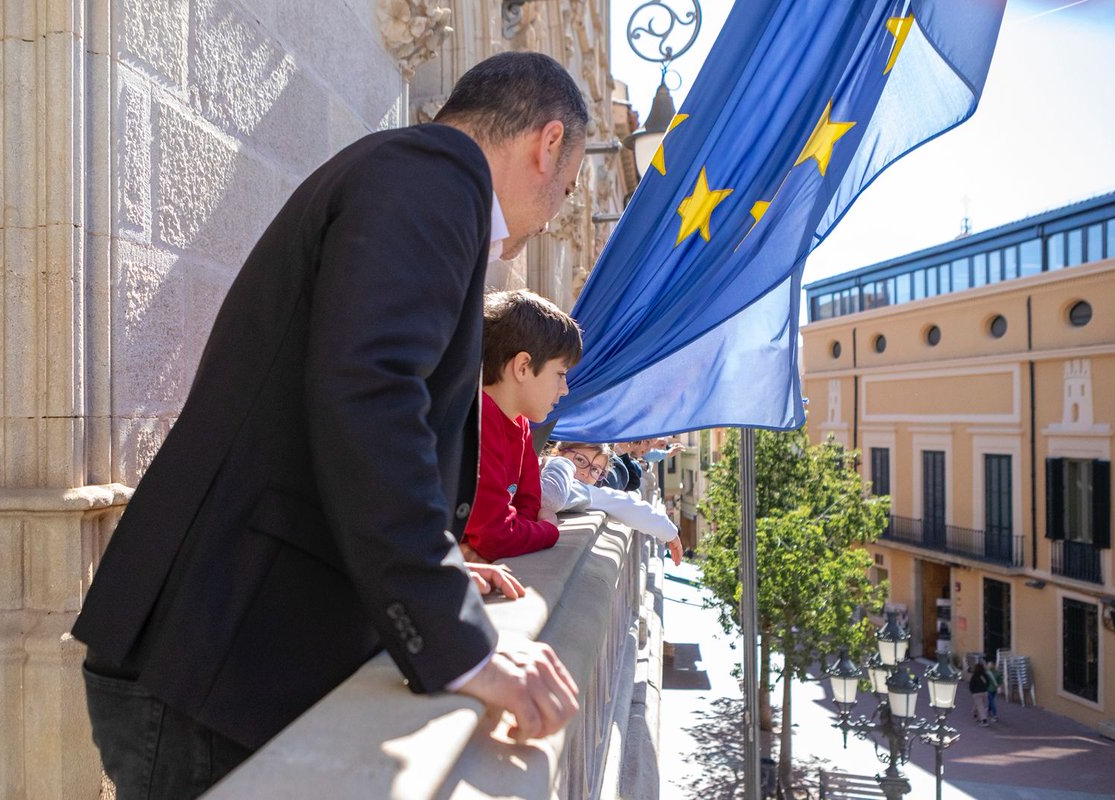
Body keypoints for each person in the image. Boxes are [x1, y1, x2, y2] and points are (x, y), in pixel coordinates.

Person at [71, 51, 588, 798]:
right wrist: (458, 642)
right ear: (546, 144)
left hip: (216, 653)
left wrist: (432, 561)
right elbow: (372, 394)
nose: (549, 221)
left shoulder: (413, 174)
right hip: (215, 661)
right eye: (566, 190)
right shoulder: (437, 181)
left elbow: (343, 409)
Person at [460, 290, 582, 562]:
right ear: (523, 366)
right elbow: (496, 535)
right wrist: (549, 530)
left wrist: (516, 529)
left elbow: (527, 507)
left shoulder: (521, 424)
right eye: (560, 374)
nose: (565, 389)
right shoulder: (478, 416)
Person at [540, 441, 683, 564]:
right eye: (580, 460)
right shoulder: (548, 464)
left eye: (595, 470)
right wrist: (560, 463)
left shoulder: (585, 491)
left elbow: (623, 504)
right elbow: (550, 498)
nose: (586, 473)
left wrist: (668, 531)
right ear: (556, 452)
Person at [969, 661, 992, 726]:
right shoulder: (984, 676)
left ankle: (984, 720)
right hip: (984, 692)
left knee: (980, 706)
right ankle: (975, 714)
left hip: (976, 693)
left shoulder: (974, 676)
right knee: (980, 705)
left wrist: (972, 691)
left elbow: (971, 685)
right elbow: (987, 683)